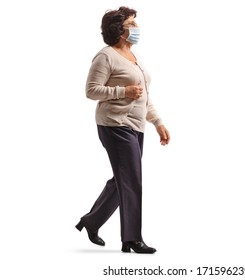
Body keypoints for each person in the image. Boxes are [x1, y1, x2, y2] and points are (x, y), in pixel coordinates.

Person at [75, 6, 170, 254]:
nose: (137, 28)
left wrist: (158, 122)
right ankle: (131, 239)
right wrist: (123, 91)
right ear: (119, 30)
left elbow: (144, 97)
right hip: (114, 125)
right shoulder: (105, 56)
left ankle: (91, 221)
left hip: (136, 127)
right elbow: (91, 90)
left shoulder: (134, 58)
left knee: (124, 180)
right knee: (132, 180)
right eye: (132, 24)